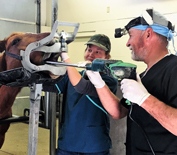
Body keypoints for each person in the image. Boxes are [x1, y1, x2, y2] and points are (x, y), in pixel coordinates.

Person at [86, 9, 177, 155]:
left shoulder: (173, 69)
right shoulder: (143, 77)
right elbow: (119, 111)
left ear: (148, 34)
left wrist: (144, 99)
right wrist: (99, 83)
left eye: (130, 36)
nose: (128, 43)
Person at [43, 34, 118, 155]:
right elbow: (49, 84)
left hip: (94, 146)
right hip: (67, 143)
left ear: (107, 57)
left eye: (98, 52)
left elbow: (82, 86)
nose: (91, 54)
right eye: (89, 50)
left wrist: (66, 58)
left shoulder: (109, 81)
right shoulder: (73, 76)